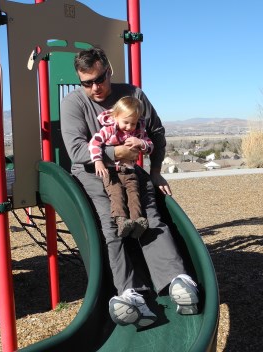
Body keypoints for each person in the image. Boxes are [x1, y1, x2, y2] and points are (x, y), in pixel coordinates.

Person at [60, 47, 199, 329]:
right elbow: (76, 150)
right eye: (86, 83)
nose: (95, 88)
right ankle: (130, 292)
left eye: (99, 79)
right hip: (93, 171)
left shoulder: (132, 96)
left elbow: (156, 132)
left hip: (130, 170)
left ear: (108, 69)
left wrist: (156, 172)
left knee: (149, 213)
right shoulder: (73, 103)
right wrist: (117, 153)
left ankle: (177, 281)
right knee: (112, 221)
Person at [89, 96, 152, 239]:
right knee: (116, 195)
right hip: (111, 172)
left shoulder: (138, 133)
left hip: (129, 172)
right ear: (115, 116)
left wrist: (141, 143)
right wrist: (98, 161)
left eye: (133, 123)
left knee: (134, 195)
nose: (129, 127)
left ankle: (137, 221)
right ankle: (121, 220)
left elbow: (150, 146)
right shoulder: (109, 130)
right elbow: (94, 143)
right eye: (126, 122)